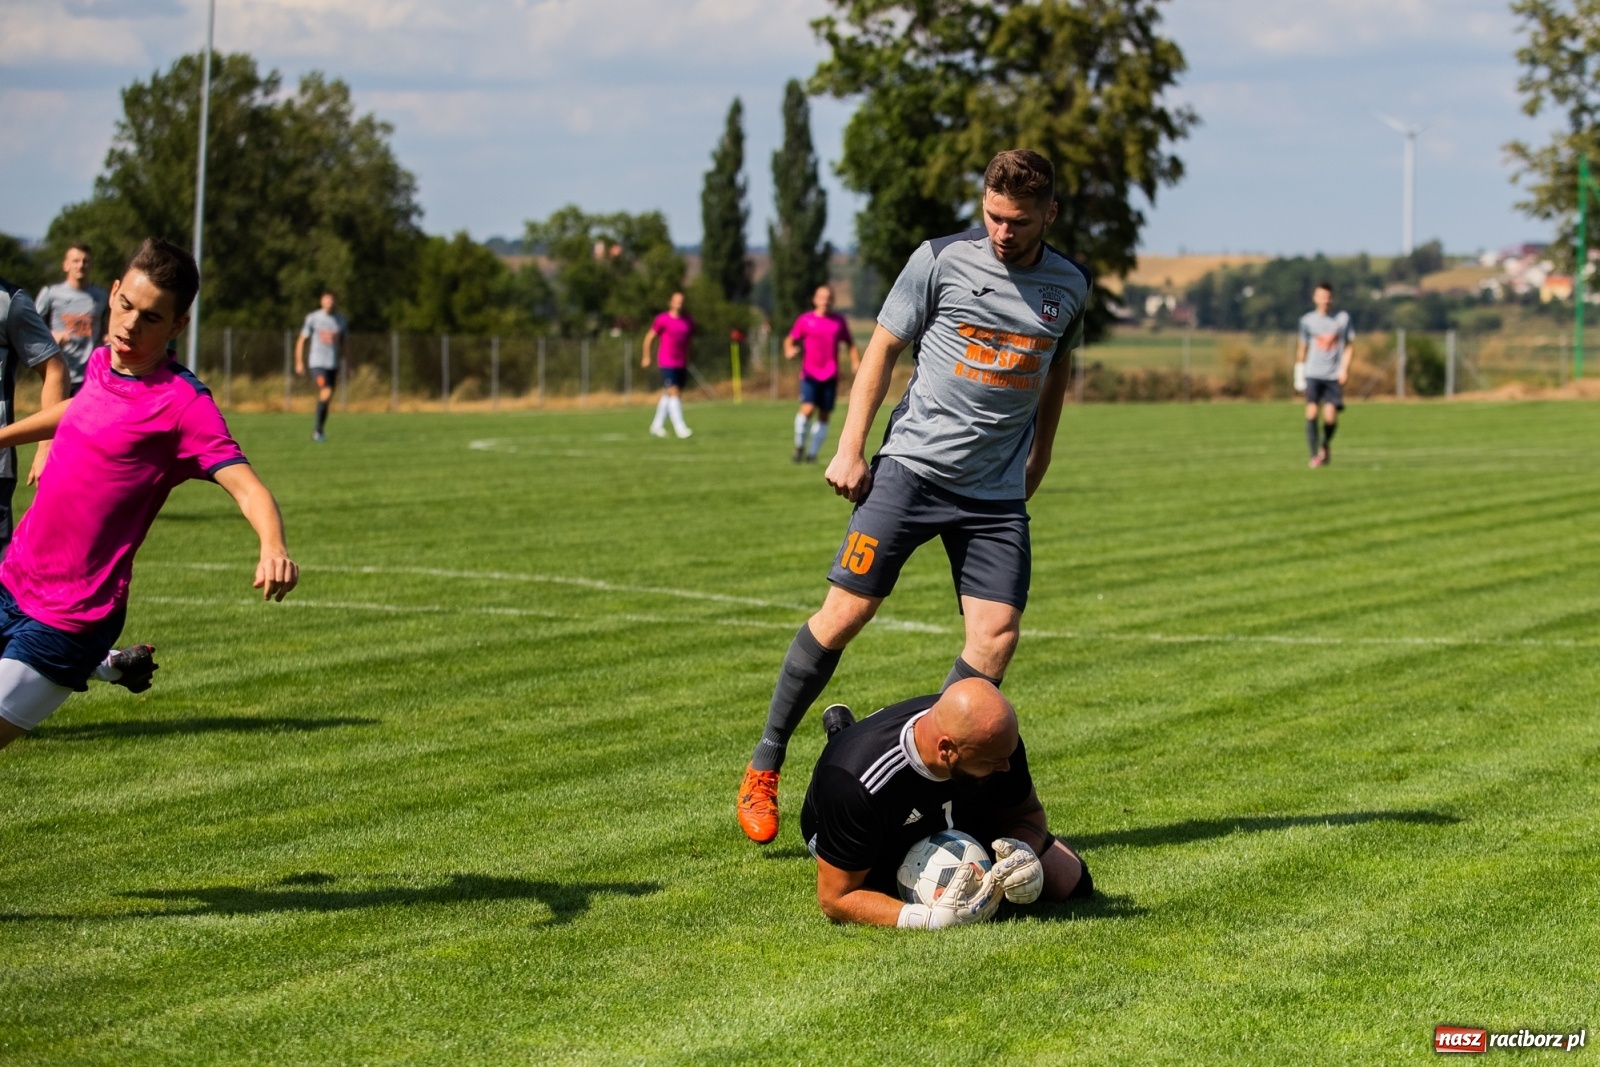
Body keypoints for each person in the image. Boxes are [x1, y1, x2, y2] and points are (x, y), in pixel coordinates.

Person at [737, 149, 1092, 844]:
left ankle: (930, 791)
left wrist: (1042, 455)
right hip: (911, 471)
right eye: (992, 216)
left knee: (995, 639)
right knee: (846, 613)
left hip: (993, 497)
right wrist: (849, 444)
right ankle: (766, 761)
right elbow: (882, 348)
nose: (1002, 232)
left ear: (1049, 214)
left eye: (1018, 221)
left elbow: (1057, 369)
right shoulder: (936, 260)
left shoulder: (1069, 285)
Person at [0, 238, 299, 751]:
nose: (130, 327)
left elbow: (248, 487)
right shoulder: (103, 361)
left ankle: (100, 662)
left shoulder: (184, 406)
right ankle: (114, 669)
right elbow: (80, 411)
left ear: (178, 326)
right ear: (112, 293)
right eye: (125, 306)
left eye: (151, 318)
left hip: (70, 619)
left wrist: (273, 547)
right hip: (11, 580)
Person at [801, 679, 1091, 928]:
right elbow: (836, 898)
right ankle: (841, 735)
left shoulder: (995, 743)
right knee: (897, 887)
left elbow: (1027, 812)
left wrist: (1021, 852)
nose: (1006, 768)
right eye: (992, 762)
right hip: (877, 824)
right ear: (947, 749)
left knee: (1072, 883)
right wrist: (928, 920)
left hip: (948, 804)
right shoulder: (856, 783)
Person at [785, 284, 860, 463]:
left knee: (824, 414)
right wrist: (789, 349)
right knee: (808, 409)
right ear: (814, 299)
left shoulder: (838, 322)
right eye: (821, 297)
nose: (825, 300)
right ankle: (799, 447)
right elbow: (790, 339)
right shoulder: (805, 320)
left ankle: (812, 454)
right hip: (809, 374)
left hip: (830, 375)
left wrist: (855, 361)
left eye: (828, 297)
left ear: (832, 300)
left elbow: (850, 343)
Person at [35, 242, 108, 396]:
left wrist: (106, 339)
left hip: (91, 377)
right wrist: (52, 336)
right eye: (75, 261)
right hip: (59, 375)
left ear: (91, 265)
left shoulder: (102, 296)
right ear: (66, 265)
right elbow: (32, 329)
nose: (81, 265)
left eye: (85, 261)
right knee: (57, 420)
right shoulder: (51, 294)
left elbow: (105, 327)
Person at [1295, 283, 1353, 468]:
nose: (1325, 301)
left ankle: (1325, 444)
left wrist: (1344, 369)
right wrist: (1299, 374)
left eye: (1328, 297)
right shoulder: (1307, 321)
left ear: (1332, 298)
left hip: (1332, 375)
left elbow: (1349, 346)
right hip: (1313, 373)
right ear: (1315, 298)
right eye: (1321, 296)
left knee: (1330, 417)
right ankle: (1314, 456)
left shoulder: (1342, 319)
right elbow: (1302, 348)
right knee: (1311, 411)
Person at [294, 289, 347, 443]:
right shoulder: (313, 318)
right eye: (326, 299)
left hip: (333, 364)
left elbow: (345, 344)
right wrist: (299, 361)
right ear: (321, 301)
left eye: (332, 300)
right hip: (317, 363)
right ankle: (317, 430)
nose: (329, 302)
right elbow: (301, 340)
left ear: (335, 302)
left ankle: (319, 429)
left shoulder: (341, 320)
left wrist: (348, 364)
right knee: (326, 390)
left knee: (327, 396)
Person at [641, 291, 694, 438]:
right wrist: (646, 356)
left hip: (681, 362)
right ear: (671, 302)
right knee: (673, 392)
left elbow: (689, 342)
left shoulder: (688, 321)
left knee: (669, 394)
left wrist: (689, 357)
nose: (679, 303)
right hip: (667, 361)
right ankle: (680, 427)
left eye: (681, 300)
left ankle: (656, 426)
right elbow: (649, 337)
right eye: (676, 300)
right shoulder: (662, 319)